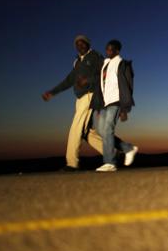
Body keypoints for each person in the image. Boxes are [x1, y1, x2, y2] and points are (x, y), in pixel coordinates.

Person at [42, 35, 125, 171]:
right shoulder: (77, 62)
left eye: (83, 44)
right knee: (87, 133)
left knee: (76, 127)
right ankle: (112, 153)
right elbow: (68, 81)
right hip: (80, 98)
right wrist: (52, 92)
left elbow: (106, 73)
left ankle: (72, 163)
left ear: (88, 44)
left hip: (90, 95)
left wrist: (88, 80)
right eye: (77, 44)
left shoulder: (94, 56)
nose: (80, 46)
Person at [90, 40, 138, 172]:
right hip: (103, 103)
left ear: (117, 51)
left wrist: (125, 108)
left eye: (111, 49)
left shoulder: (123, 64)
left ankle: (110, 162)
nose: (108, 51)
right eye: (107, 49)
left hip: (116, 102)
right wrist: (97, 105)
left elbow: (128, 86)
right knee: (101, 131)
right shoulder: (104, 64)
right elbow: (100, 85)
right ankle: (128, 148)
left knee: (107, 130)